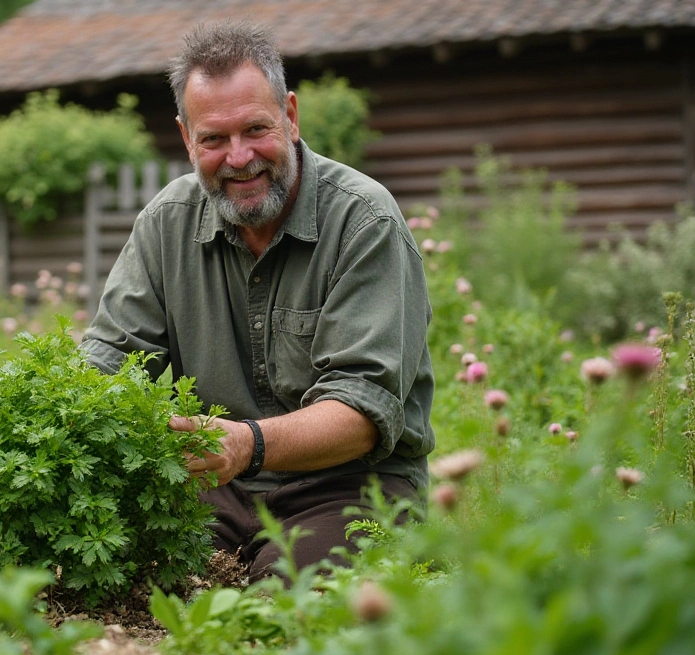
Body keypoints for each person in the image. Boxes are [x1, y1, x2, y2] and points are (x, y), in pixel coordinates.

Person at [80, 20, 435, 580]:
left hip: (348, 486)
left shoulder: (364, 221)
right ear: (186, 139)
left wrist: (246, 445)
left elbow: (363, 413)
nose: (239, 157)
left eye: (255, 130)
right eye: (214, 140)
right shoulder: (165, 224)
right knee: (128, 578)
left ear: (290, 117)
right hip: (214, 487)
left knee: (290, 600)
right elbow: (107, 366)